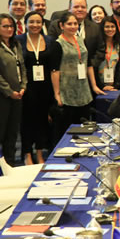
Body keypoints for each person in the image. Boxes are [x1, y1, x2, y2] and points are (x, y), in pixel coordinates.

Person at [50, 12, 96, 139]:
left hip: (83, 90)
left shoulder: (80, 40)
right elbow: (54, 70)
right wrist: (57, 94)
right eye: (69, 24)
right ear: (61, 25)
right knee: (66, 128)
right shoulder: (57, 44)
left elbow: (88, 63)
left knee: (84, 126)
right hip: (66, 91)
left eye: (75, 23)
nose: (73, 26)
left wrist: (94, 86)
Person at [16, 12, 53, 164]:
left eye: (38, 22)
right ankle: (27, 153)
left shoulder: (49, 40)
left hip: (45, 87)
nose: (35, 25)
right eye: (31, 22)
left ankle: (39, 152)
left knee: (42, 120)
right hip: (27, 87)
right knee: (27, 121)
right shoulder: (19, 40)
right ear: (25, 23)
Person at [0, 14, 27, 165]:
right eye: (5, 26)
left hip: (18, 95)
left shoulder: (16, 44)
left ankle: (10, 164)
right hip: (3, 96)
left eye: (11, 26)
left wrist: (23, 87)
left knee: (12, 133)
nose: (9, 29)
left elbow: (22, 67)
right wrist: (9, 92)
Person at [91, 17, 120, 91]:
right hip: (98, 86)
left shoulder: (119, 44)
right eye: (107, 27)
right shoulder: (97, 44)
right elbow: (93, 67)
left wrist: (115, 86)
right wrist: (101, 86)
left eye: (112, 26)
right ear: (102, 28)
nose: (110, 29)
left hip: (114, 86)